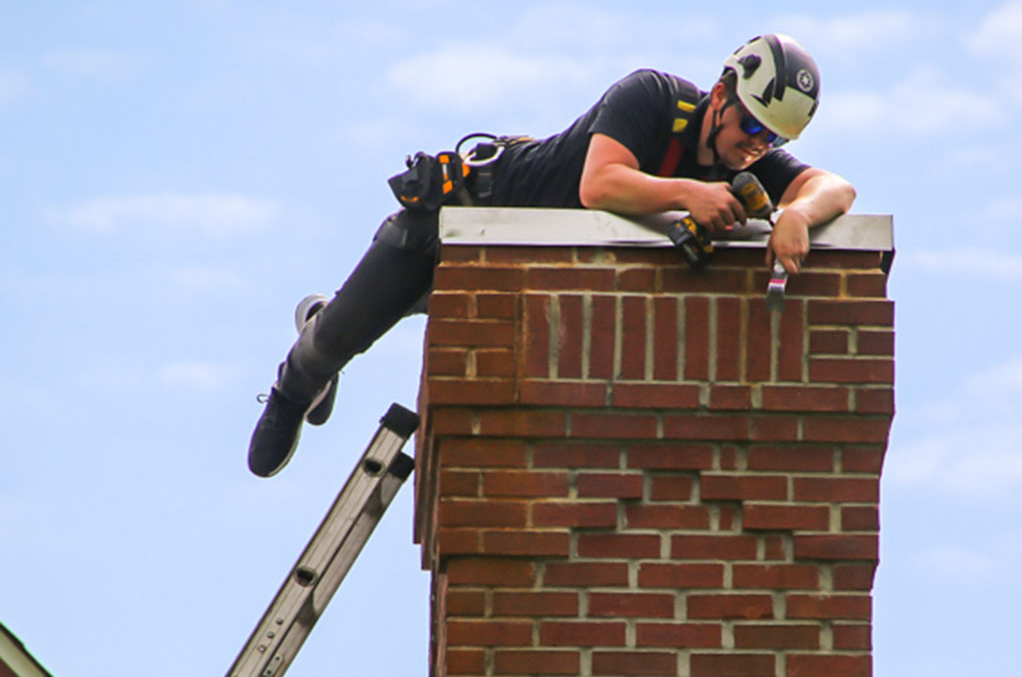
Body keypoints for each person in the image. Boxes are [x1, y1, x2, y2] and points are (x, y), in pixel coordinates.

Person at [247, 33, 855, 478]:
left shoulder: (744, 159)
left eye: (773, 140)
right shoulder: (653, 97)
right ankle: (295, 386)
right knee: (340, 339)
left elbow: (837, 189)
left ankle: (335, 324)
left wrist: (797, 214)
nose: (756, 148)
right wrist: (688, 194)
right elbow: (601, 183)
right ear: (721, 94)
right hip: (457, 221)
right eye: (751, 128)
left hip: (512, 270)